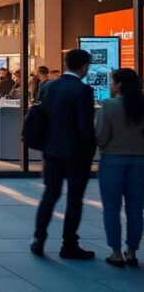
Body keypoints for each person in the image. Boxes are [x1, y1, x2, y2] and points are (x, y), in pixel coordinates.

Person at [31, 48, 96, 260]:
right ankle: (69, 244)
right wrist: (90, 152)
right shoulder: (83, 90)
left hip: (51, 151)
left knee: (49, 196)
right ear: (84, 66)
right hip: (76, 154)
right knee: (74, 200)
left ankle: (39, 239)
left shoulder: (50, 86)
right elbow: (85, 127)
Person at [95, 68, 144, 268]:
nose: (110, 85)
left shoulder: (109, 105)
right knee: (135, 209)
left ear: (120, 84)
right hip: (140, 160)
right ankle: (132, 252)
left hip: (112, 160)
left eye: (112, 82)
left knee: (112, 208)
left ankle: (116, 253)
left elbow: (101, 135)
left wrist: (104, 146)